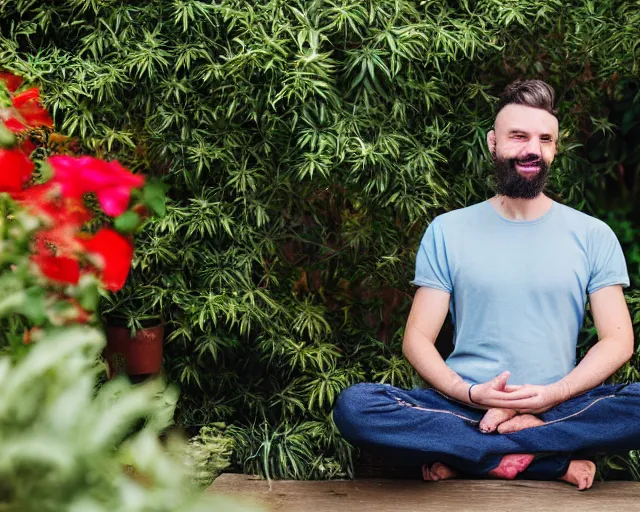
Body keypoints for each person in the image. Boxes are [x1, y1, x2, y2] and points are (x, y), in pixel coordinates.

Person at [332, 79, 637, 491]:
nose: (532, 149)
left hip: (560, 404)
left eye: (545, 139)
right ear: (493, 143)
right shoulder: (448, 230)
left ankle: (488, 449)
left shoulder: (592, 234)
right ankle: (542, 459)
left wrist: (551, 397)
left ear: (555, 149)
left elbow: (618, 341)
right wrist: (473, 394)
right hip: (463, 406)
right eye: (518, 136)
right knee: (356, 407)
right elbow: (418, 338)